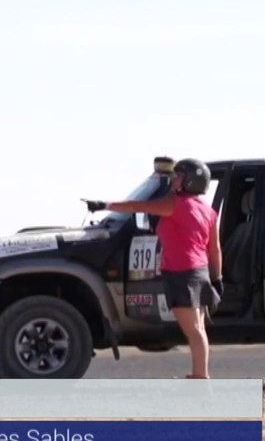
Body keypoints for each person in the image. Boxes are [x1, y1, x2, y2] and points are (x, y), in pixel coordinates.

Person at [84, 158, 222, 379]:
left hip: (181, 273)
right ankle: (199, 375)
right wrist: (217, 278)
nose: (174, 179)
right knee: (198, 329)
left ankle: (201, 378)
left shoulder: (174, 204)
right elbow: (214, 249)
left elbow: (136, 206)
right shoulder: (208, 211)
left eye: (179, 176)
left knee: (193, 331)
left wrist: (104, 205)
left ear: (190, 181)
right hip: (199, 271)